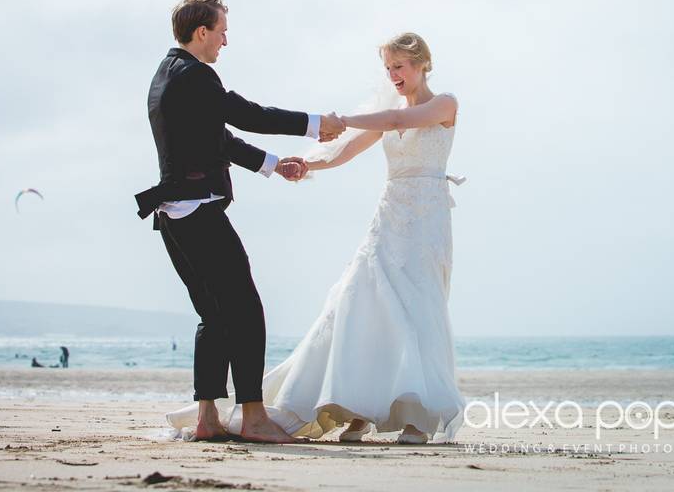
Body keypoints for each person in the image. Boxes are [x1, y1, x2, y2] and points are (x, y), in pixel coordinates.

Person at [167, 32, 467, 444]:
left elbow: (397, 122)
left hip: (427, 218)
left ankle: (416, 416)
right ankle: (358, 407)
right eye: (388, 68)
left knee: (418, 304)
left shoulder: (444, 104)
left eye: (399, 66)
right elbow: (346, 151)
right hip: (391, 215)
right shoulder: (386, 112)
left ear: (421, 64)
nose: (393, 75)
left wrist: (341, 120)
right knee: (363, 303)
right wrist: (302, 165)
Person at [136, 0, 346, 444]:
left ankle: (208, 418)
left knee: (213, 314)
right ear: (202, 31)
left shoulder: (166, 74)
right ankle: (252, 417)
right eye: (222, 33)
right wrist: (314, 123)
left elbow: (219, 139)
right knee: (246, 310)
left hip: (174, 213)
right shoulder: (196, 76)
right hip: (198, 211)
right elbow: (245, 114)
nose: (225, 43)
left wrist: (273, 165)